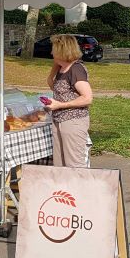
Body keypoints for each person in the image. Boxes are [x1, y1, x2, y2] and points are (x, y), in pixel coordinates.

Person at [44, 34, 93, 168]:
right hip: (59, 120)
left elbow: (87, 98)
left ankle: (79, 188)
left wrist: (61, 105)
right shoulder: (62, 67)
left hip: (73, 121)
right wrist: (52, 74)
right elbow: (53, 82)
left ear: (61, 51)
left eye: (54, 49)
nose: (51, 52)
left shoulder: (76, 69)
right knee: (59, 164)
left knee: (74, 164)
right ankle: (63, 189)